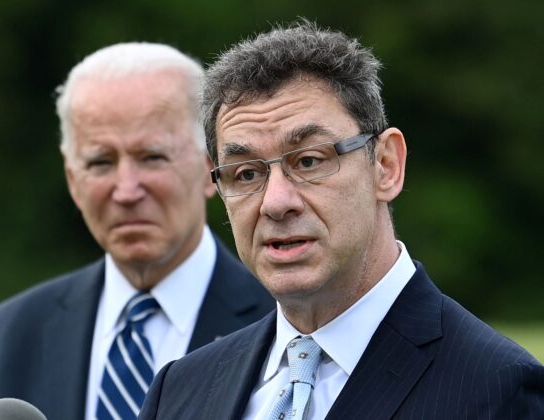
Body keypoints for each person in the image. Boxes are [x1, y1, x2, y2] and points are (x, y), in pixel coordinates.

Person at [139, 20, 544, 419]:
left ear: (386, 165)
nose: (276, 202)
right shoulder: (178, 390)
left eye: (310, 161)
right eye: (246, 173)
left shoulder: (497, 390)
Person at [0, 42, 274, 420]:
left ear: (211, 168)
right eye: (101, 162)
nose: (126, 190)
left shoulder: (285, 322)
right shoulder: (5, 341)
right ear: (72, 179)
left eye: (152, 157)